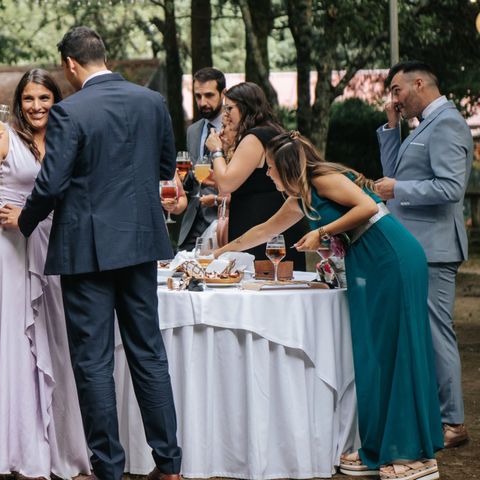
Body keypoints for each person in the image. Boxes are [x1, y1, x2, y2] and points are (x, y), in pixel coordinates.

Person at [215, 130, 443, 480]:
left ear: (288, 166)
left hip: (391, 255)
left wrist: (322, 233)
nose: (268, 174)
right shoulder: (299, 199)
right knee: (376, 354)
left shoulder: (323, 179)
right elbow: (261, 231)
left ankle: (415, 453)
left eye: (272, 168)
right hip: (368, 261)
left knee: (400, 350)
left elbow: (368, 207)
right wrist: (219, 253)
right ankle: (380, 448)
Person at [17, 27, 182, 480]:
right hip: (141, 244)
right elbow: (165, 168)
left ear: (70, 64)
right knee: (148, 353)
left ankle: (109, 469)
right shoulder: (152, 102)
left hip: (87, 252)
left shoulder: (69, 112)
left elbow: (50, 184)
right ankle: (169, 465)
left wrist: (24, 224)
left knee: (93, 362)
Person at [0, 68, 91, 479]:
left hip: (54, 242)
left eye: (44, 98)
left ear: (56, 100)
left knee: (55, 342)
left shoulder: (68, 137)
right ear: (19, 103)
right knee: (14, 343)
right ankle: (17, 450)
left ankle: (57, 448)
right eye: (29, 99)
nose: (36, 106)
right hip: (10, 248)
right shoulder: (6, 139)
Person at [376, 60, 472, 448]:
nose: (394, 100)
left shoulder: (447, 122)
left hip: (434, 247)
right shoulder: (423, 126)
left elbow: (450, 188)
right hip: (415, 245)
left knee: (436, 333)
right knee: (422, 331)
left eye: (397, 91)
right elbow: (393, 174)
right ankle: (433, 412)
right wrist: (390, 128)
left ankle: (454, 423)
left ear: (419, 83)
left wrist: (400, 189)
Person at [205, 82, 307, 268]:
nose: (224, 115)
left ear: (246, 107)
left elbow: (227, 183)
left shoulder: (254, 137)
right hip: (275, 222)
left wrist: (216, 150)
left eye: (229, 108)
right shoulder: (272, 129)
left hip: (260, 224)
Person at [178, 67, 224, 251]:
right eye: (198, 96)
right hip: (191, 226)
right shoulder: (193, 131)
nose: (203, 102)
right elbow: (193, 180)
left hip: (222, 225)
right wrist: (179, 179)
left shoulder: (235, 130)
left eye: (209, 95)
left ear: (223, 94)